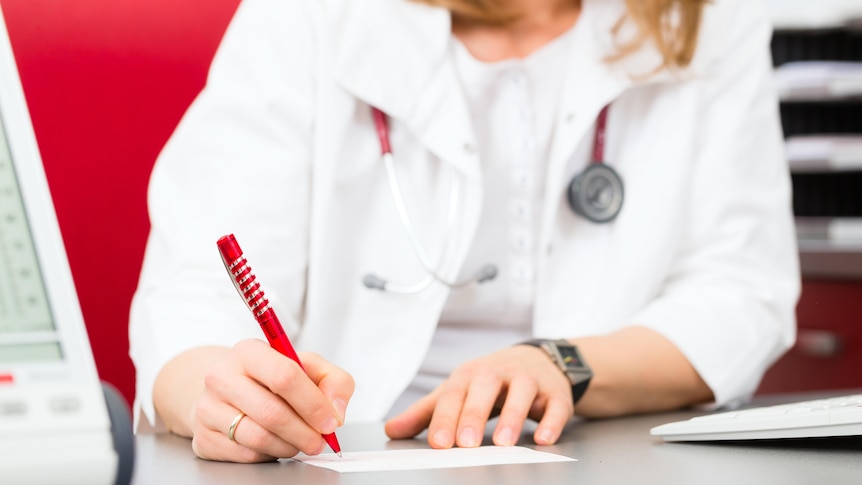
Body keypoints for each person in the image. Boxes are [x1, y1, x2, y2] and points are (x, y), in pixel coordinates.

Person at [129, 0, 800, 464]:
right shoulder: (309, 16)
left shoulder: (708, 20)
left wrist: (558, 362)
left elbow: (740, 288)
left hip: (602, 450)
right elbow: (191, 296)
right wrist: (217, 393)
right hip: (344, 450)